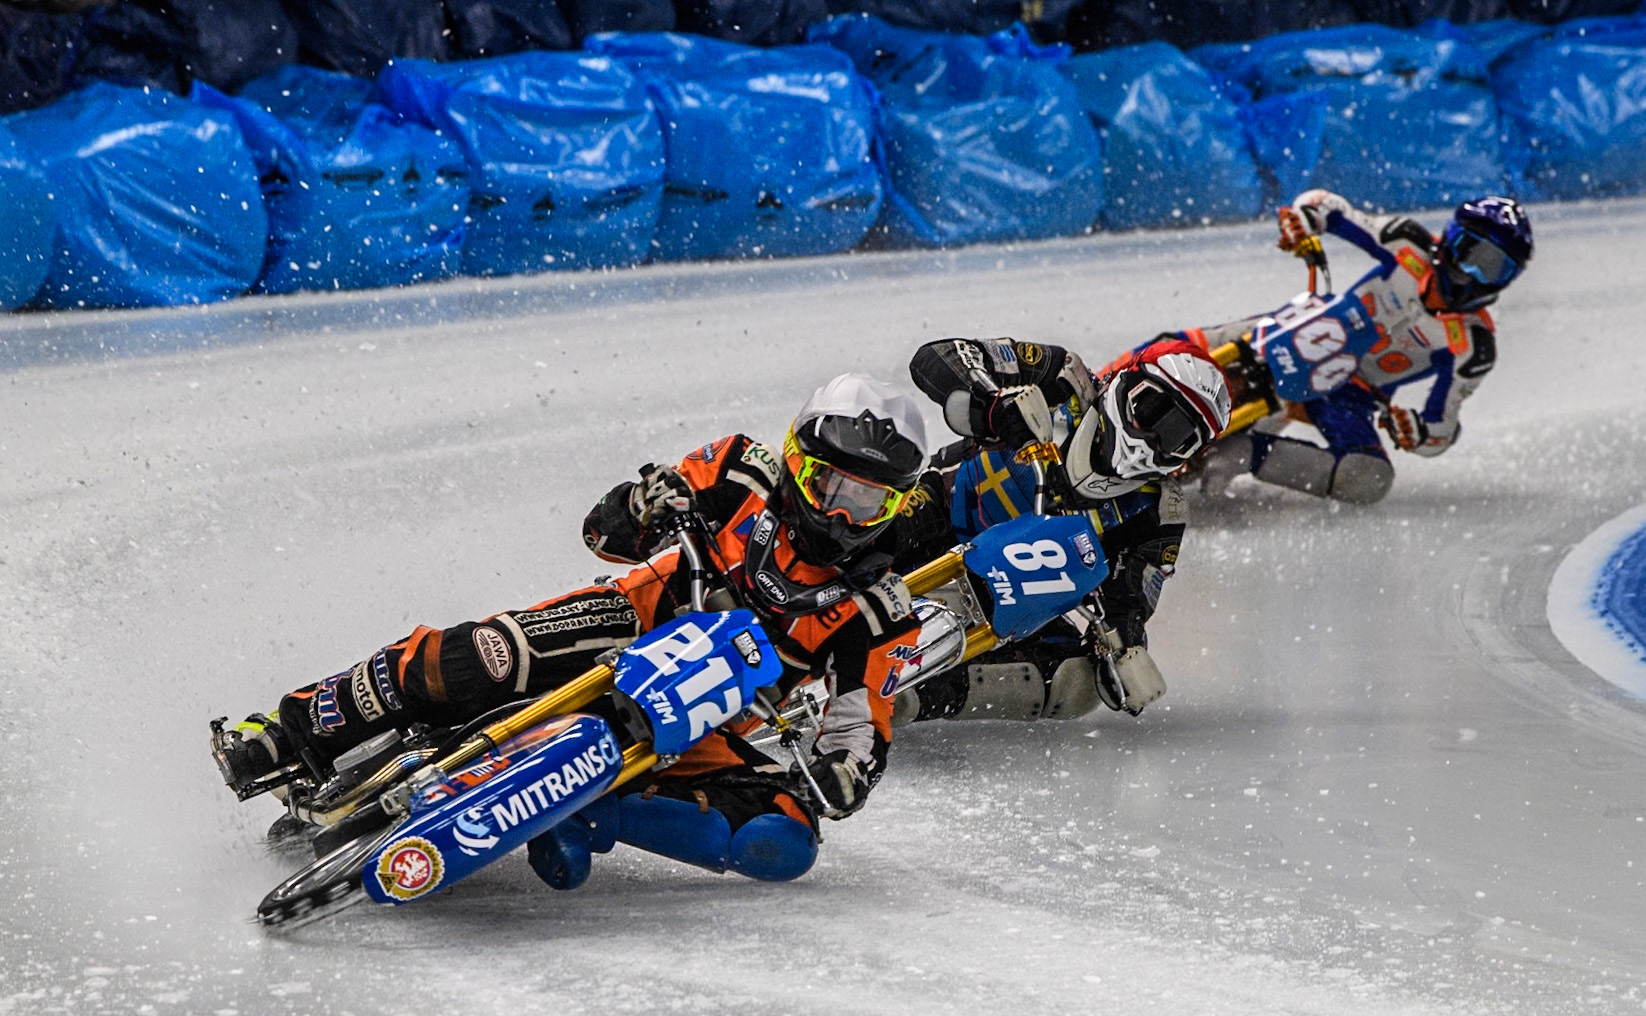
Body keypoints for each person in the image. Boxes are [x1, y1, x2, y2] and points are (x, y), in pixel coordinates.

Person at [213, 374, 929, 890]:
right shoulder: (741, 469)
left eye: (867, 501)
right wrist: (646, 502)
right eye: (829, 485)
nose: (839, 514)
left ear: (893, 507)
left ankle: (589, 805)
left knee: (785, 833)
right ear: (796, 462)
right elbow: (605, 531)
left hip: (696, 717)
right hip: (625, 622)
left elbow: (861, 725)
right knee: (479, 657)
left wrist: (842, 771)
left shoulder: (880, 607)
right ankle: (293, 727)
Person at [884, 335, 1231, 725]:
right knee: (883, 514)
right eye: (1151, 410)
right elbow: (936, 357)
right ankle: (816, 584)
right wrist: (993, 403)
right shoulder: (1060, 375)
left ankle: (911, 697)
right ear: (1129, 383)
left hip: (1004, 608)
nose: (1151, 440)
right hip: (940, 512)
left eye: (1177, 438)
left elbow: (1129, 603)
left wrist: (1125, 651)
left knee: (1076, 683)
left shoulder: (1159, 513)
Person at [1178, 190, 1533, 504]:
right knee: (1199, 346)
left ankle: (1244, 452)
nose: (1470, 273)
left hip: (1349, 393)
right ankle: (1134, 368)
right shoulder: (1407, 242)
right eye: (1468, 251)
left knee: (1368, 476)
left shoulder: (1474, 345)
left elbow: (1442, 428)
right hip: (1308, 330)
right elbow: (1328, 205)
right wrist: (1305, 220)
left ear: (1507, 280)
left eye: (1491, 268)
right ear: (1449, 238)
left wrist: (1416, 430)